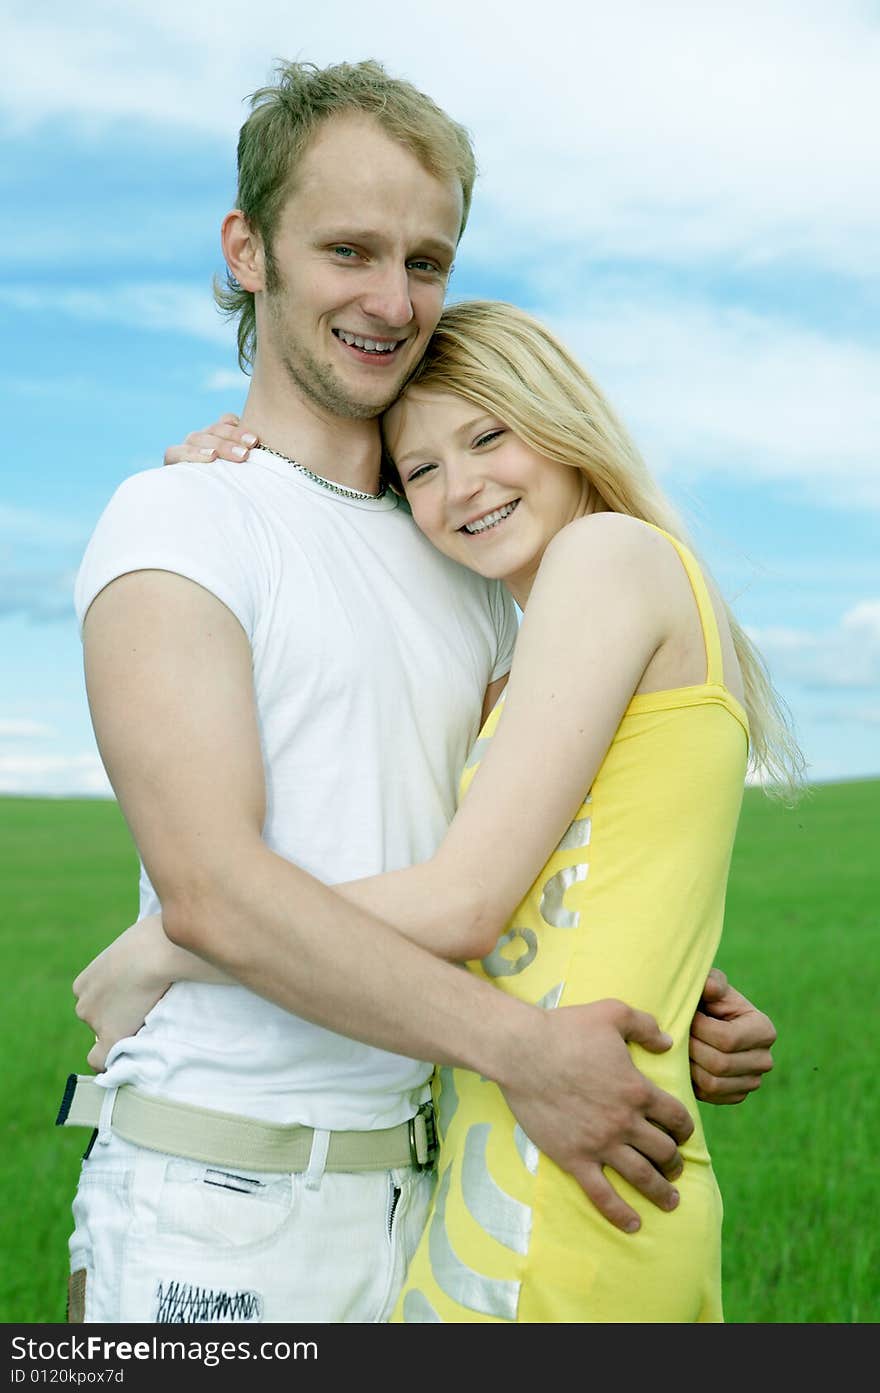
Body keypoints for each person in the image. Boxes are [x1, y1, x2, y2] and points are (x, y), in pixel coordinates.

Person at [61, 59, 779, 1326]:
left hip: (428, 1188)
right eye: (348, 249)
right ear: (248, 250)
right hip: (219, 1199)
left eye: (426, 261)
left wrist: (675, 992)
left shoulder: (475, 566)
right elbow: (212, 891)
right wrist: (525, 1050)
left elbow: (549, 844)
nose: (392, 300)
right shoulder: (179, 516)